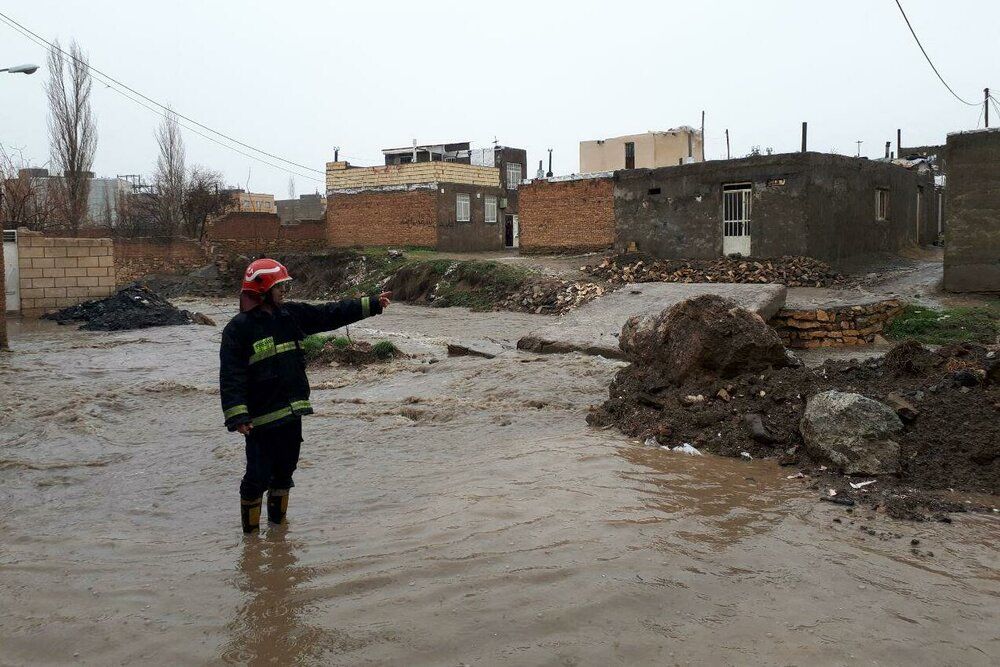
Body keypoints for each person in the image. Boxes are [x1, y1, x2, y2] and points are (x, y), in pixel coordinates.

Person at [220, 258, 391, 533]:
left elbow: (328, 314)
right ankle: (250, 540)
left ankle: (277, 533)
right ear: (262, 291)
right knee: (256, 478)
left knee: (284, 474)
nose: (283, 292)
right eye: (279, 288)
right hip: (261, 421)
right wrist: (238, 415)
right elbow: (231, 376)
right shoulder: (238, 329)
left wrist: (371, 304)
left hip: (292, 413)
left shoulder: (290, 316)